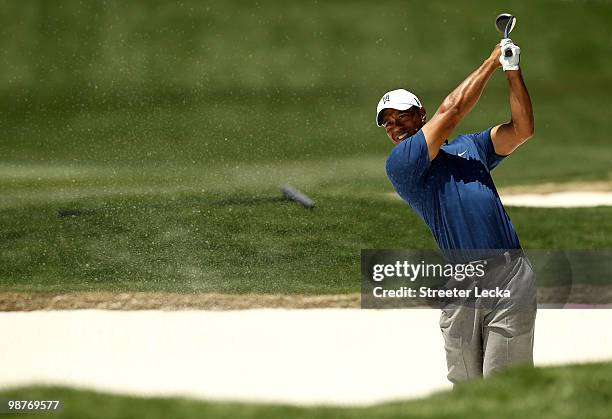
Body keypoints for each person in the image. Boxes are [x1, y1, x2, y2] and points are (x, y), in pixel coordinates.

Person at [376, 39, 537, 384]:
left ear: (421, 114)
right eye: (387, 123)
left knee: (505, 389)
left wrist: (511, 70)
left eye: (402, 116)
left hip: (510, 274)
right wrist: (492, 61)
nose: (395, 126)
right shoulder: (402, 164)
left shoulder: (471, 147)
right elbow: (451, 111)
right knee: (467, 390)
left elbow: (522, 130)